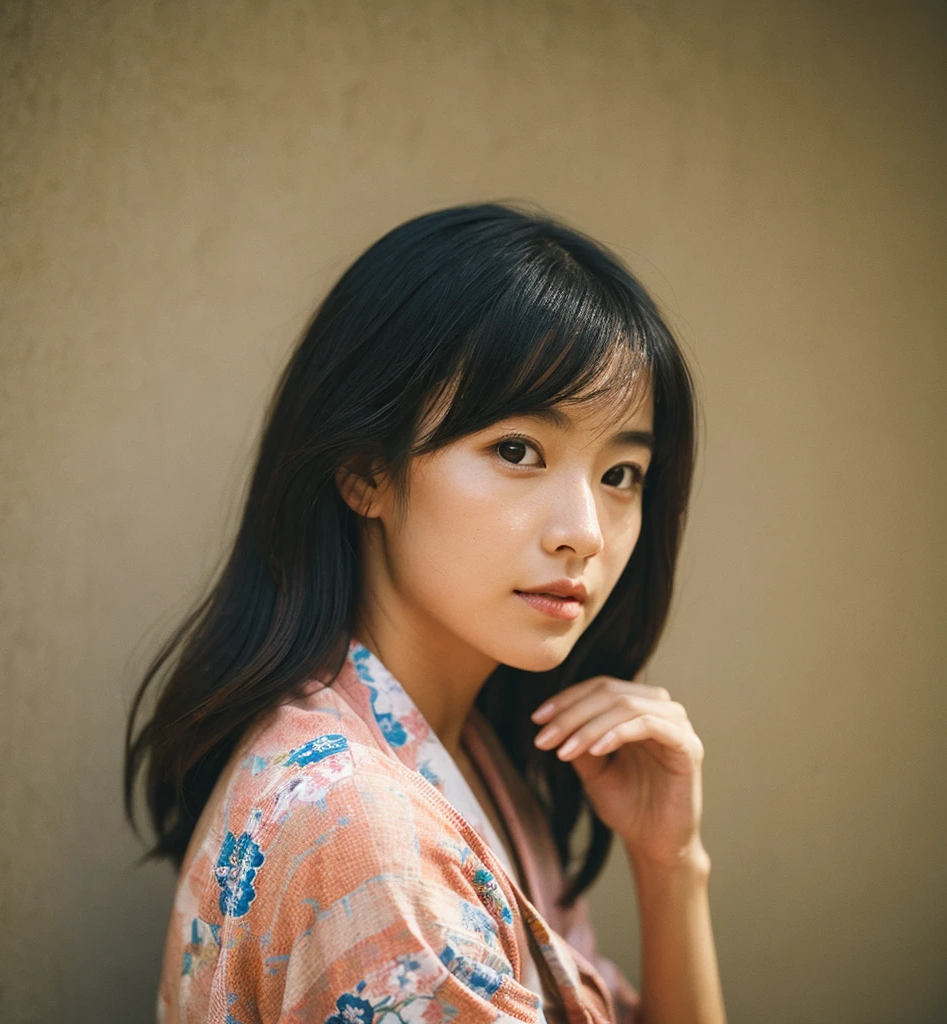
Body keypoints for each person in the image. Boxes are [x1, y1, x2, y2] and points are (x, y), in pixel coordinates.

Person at [124, 201, 727, 1023]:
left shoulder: (469, 757)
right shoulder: (369, 840)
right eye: (518, 451)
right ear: (365, 470)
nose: (586, 533)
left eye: (621, 475)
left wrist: (672, 865)